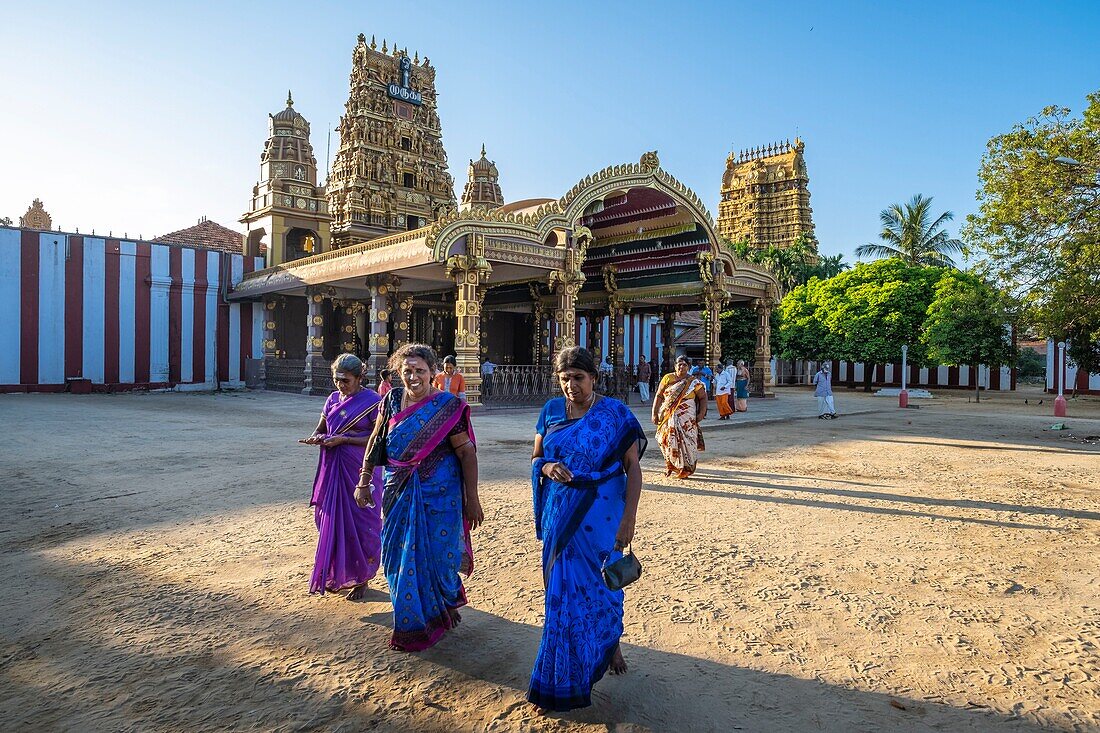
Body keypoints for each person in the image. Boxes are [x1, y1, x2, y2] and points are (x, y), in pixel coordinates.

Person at [528, 347, 646, 713]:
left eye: (578, 378)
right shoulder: (550, 412)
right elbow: (537, 457)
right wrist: (546, 469)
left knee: (601, 585)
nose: (571, 386)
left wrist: (629, 519)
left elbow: (633, 467)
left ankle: (610, 641)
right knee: (562, 595)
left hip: (603, 513)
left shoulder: (614, 414)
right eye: (564, 379)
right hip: (560, 514)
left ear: (593, 377)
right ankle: (561, 677)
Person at [355, 344, 484, 651]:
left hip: (440, 493)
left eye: (420, 371)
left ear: (432, 373)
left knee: (440, 555)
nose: (413, 377)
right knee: (398, 555)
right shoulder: (391, 400)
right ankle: (410, 620)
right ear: (399, 373)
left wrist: (473, 498)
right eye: (407, 371)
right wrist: (363, 478)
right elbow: (377, 439)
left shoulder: (447, 407)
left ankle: (443, 605)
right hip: (397, 488)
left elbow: (466, 452)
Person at [300, 353, 384, 600]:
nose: (340, 385)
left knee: (361, 523)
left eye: (345, 380)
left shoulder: (372, 401)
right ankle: (338, 574)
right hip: (332, 468)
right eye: (337, 379)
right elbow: (322, 427)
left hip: (360, 470)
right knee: (332, 520)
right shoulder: (333, 399)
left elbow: (378, 438)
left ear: (360, 378)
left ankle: (363, 578)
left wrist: (345, 439)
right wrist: (316, 437)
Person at [653, 355, 708, 478]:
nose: (681, 367)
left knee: (688, 442)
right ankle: (670, 465)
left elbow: (703, 398)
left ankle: (685, 469)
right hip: (668, 416)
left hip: (687, 418)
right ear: (675, 365)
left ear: (689, 367)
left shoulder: (693, 382)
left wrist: (701, 413)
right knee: (665, 440)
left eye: (685, 365)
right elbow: (659, 396)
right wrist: (654, 413)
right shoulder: (668, 378)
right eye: (679, 364)